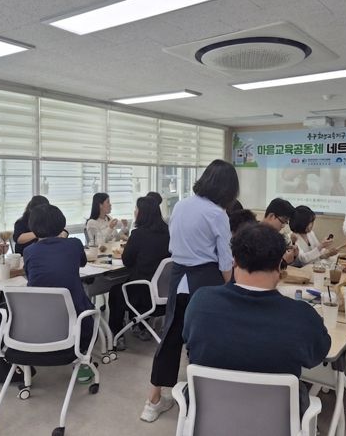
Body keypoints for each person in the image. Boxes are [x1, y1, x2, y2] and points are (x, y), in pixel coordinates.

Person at [183, 223, 331, 415]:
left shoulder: (201, 302)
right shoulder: (301, 316)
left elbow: (189, 344)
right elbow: (318, 355)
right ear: (279, 264)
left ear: (234, 260)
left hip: (206, 417)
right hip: (277, 421)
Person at [140, 159, 239, 423]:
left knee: (171, 335)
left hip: (178, 277)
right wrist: (231, 287)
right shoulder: (217, 214)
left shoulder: (181, 205)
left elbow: (174, 242)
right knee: (206, 338)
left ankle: (152, 401)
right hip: (206, 280)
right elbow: (225, 260)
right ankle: (202, 401)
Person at [23, 203, 95, 382]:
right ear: (61, 223)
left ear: (33, 227)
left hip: (38, 316)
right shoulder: (74, 244)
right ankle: (83, 360)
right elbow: (82, 263)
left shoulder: (29, 251)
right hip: (75, 313)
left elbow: (30, 275)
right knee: (85, 301)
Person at [111, 196, 170, 343]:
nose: (135, 211)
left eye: (136, 209)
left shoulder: (138, 234)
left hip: (143, 294)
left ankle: (117, 335)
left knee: (115, 292)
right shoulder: (168, 233)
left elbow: (127, 260)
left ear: (142, 213)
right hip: (165, 293)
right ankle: (141, 326)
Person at [261, 198, 298, 266]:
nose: (283, 226)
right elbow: (261, 267)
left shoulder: (274, 236)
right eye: (283, 221)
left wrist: (292, 255)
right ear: (271, 216)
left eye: (286, 222)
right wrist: (284, 261)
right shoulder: (253, 236)